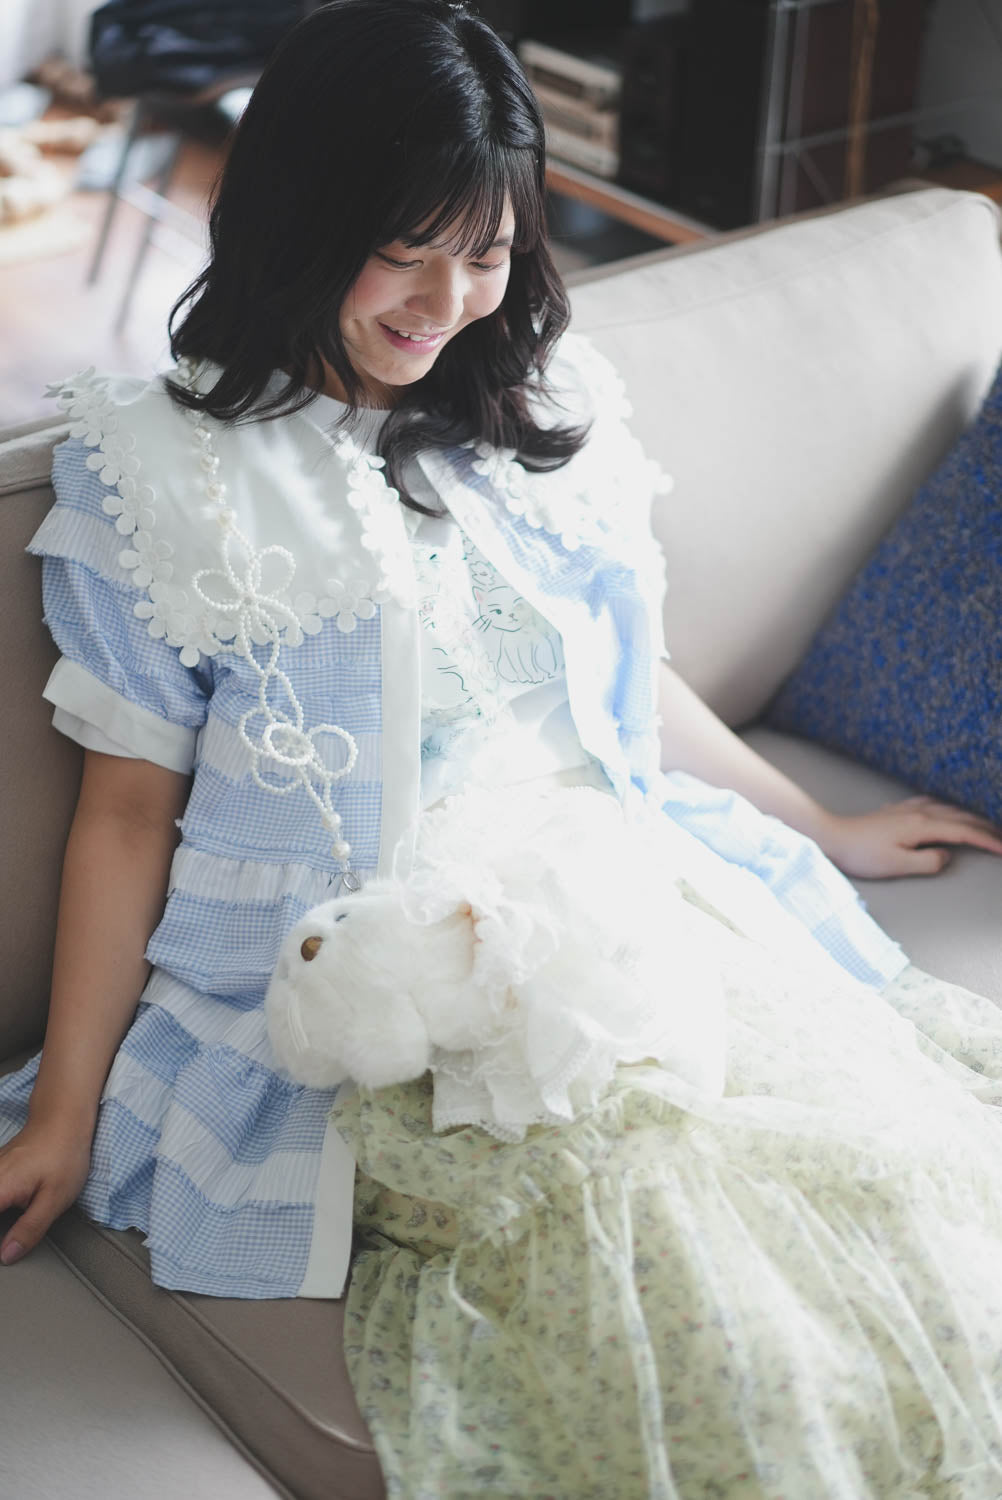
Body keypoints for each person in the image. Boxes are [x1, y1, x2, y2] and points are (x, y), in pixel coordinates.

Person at [3, 1, 1002, 1493]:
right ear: (298, 215)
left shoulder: (542, 401)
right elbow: (127, 813)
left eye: (483, 252)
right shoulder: (152, 469)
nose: (445, 300)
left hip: (626, 899)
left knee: (891, 1174)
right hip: (373, 979)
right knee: (672, 1250)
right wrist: (64, 1114)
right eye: (400, 249)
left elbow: (617, 693)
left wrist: (822, 823)